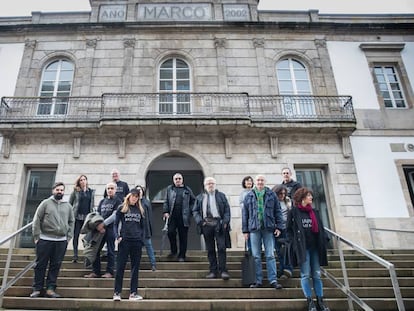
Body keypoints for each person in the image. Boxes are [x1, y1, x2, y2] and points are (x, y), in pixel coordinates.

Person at [287, 187, 330, 311]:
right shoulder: (294, 212)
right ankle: (310, 301)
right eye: (309, 196)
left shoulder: (314, 212)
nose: (311, 197)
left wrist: (325, 240)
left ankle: (321, 301)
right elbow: (288, 230)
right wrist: (293, 243)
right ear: (302, 198)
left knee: (316, 275)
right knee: (305, 274)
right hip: (303, 248)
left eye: (311, 195)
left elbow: (321, 227)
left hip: (315, 247)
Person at [30, 182, 74, 298]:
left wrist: (68, 237)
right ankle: (37, 289)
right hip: (45, 239)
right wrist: (36, 237)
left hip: (61, 241)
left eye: (61, 190)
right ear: (53, 190)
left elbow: (71, 221)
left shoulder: (68, 206)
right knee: (40, 265)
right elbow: (37, 219)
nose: (59, 192)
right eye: (57, 190)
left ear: (64, 192)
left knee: (55, 265)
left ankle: (50, 289)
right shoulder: (45, 203)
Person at [242, 174, 284, 289]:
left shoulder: (271, 195)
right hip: (254, 229)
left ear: (265, 182)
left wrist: (279, 227)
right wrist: (245, 231)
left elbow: (278, 211)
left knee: (270, 255)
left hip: (268, 228)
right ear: (255, 182)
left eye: (262, 180)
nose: (260, 182)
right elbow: (245, 214)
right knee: (256, 256)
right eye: (258, 180)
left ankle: (273, 280)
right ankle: (258, 280)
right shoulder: (249, 196)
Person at [193, 177, 231, 280]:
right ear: (205, 186)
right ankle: (213, 271)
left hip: (219, 224)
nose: (210, 185)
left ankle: (223, 270)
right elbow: (195, 211)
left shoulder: (221, 196)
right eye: (208, 184)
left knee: (222, 248)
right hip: (206, 224)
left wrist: (225, 221)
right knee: (210, 249)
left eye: (212, 183)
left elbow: (227, 209)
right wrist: (200, 221)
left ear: (215, 184)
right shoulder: (200, 197)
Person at [113, 189, 145, 301]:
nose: (135, 198)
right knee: (120, 267)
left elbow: (143, 226)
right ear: (129, 196)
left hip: (136, 241)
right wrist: (117, 236)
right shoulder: (122, 208)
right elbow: (115, 223)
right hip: (125, 240)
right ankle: (117, 292)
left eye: (137, 197)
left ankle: (133, 293)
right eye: (133, 196)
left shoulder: (140, 210)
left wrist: (142, 239)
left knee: (135, 268)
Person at [84, 182, 121, 278]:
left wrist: (103, 224)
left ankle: (110, 272)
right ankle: (96, 271)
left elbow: (115, 215)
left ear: (115, 190)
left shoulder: (118, 201)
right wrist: (98, 226)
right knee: (95, 250)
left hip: (110, 229)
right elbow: (98, 214)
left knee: (110, 251)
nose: (110, 190)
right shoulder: (102, 201)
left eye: (112, 188)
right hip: (99, 230)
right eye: (108, 188)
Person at [162, 173, 195, 262]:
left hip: (184, 217)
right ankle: (174, 251)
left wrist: (190, 212)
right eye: (176, 179)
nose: (178, 180)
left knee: (183, 237)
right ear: (173, 180)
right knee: (170, 232)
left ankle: (182, 255)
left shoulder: (187, 189)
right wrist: (165, 211)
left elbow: (193, 202)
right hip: (172, 216)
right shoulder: (169, 189)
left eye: (179, 178)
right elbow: (166, 201)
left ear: (182, 180)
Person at [69, 175, 95, 263]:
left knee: (89, 237)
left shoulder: (91, 192)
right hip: (77, 217)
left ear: (87, 181)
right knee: (75, 236)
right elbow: (70, 204)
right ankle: (75, 255)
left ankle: (87, 256)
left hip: (87, 218)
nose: (83, 181)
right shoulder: (75, 192)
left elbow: (92, 204)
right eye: (81, 180)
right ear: (79, 182)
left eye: (84, 180)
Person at [272, 184, 293, 280]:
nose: (282, 196)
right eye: (280, 194)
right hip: (277, 229)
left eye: (284, 194)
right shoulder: (272, 202)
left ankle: (288, 269)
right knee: (279, 250)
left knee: (287, 250)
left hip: (287, 228)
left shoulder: (288, 201)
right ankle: (282, 269)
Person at [135, 185, 157, 272]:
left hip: (145, 228)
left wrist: (150, 229)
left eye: (140, 190)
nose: (139, 192)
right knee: (137, 249)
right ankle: (136, 265)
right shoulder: (133, 202)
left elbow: (150, 217)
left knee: (149, 247)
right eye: (137, 190)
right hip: (135, 229)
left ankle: (153, 264)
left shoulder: (146, 202)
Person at [239, 176, 254, 251]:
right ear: (244, 183)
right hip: (247, 218)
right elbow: (241, 205)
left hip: (255, 218)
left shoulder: (255, 191)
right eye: (247, 181)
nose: (249, 182)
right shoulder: (242, 194)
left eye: (250, 181)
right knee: (248, 236)